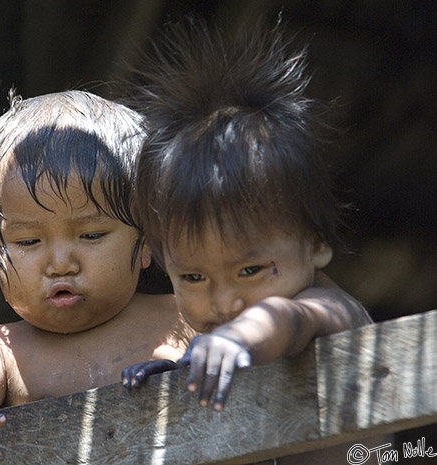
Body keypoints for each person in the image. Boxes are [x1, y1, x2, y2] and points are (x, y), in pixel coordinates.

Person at [118, 18, 392, 464]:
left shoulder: (332, 310)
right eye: (192, 276)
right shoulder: (226, 337)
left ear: (317, 242)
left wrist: (236, 341)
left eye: (250, 270)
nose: (225, 302)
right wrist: (179, 375)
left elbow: (287, 319)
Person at [0, 89, 196, 465]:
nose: (60, 264)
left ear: (147, 240)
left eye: (91, 235)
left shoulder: (185, 317)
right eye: (28, 240)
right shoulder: (0, 350)